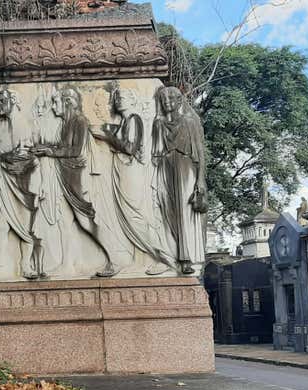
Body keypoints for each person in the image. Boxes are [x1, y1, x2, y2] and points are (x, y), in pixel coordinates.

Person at [31, 88, 120, 277]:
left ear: (68, 103)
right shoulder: (67, 123)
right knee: (65, 222)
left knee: (87, 221)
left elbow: (75, 151)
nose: (53, 107)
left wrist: (49, 151)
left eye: (56, 102)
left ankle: (116, 258)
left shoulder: (79, 121)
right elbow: (65, 147)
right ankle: (67, 264)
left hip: (77, 179)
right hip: (67, 177)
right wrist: (47, 147)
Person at [92, 88, 176, 275]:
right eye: (117, 99)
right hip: (122, 171)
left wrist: (107, 137)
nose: (119, 101)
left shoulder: (134, 119)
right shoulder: (125, 122)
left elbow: (129, 148)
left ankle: (165, 257)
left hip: (131, 173)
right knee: (126, 217)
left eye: (123, 97)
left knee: (135, 217)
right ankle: (133, 257)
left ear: (132, 99)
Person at [0, 89, 44, 281]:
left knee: (27, 226)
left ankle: (26, 266)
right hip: (6, 180)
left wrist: (41, 182)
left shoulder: (31, 125)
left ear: (13, 101)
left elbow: (38, 153)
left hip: (27, 179)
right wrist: (5, 155)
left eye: (2, 101)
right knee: (1, 225)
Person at [151, 86, 207, 275]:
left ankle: (187, 258)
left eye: (170, 100)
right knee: (168, 211)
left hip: (185, 167)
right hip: (166, 168)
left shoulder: (189, 122)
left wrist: (200, 180)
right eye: (164, 101)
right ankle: (172, 254)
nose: (167, 104)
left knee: (185, 212)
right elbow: (156, 152)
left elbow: (199, 151)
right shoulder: (159, 124)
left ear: (179, 101)